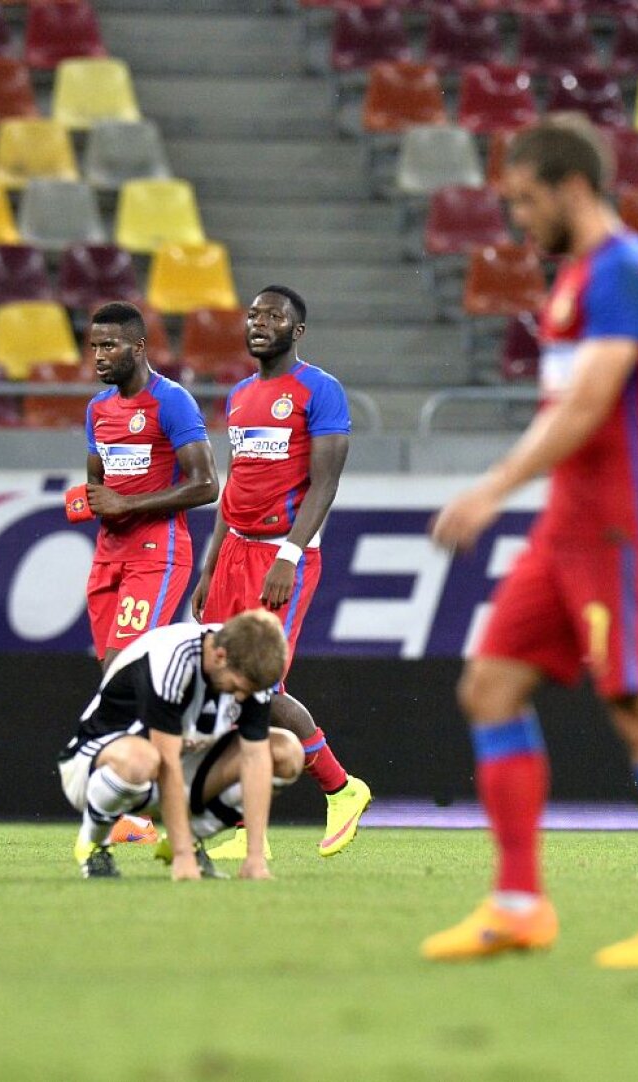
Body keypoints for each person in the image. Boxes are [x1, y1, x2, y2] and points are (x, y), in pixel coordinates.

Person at [420, 117, 638, 968]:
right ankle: (519, 905)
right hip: (569, 525)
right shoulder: (580, 277)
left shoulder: (626, 272)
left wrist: (490, 489)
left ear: (571, 187)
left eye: (524, 200)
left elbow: (589, 408)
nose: (518, 221)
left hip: (622, 526)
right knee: (490, 686)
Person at [191, 285, 372, 858]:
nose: (258, 322)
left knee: (259, 687)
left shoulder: (321, 390)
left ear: (297, 331)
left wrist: (289, 556)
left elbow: (326, 483)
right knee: (223, 684)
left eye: (274, 316)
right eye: (253, 314)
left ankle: (340, 788)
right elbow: (237, 486)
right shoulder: (241, 395)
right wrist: (209, 564)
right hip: (235, 552)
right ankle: (245, 829)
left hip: (281, 554)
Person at [58, 609, 303, 881]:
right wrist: (182, 854)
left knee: (286, 752)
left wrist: (255, 859)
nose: (241, 697)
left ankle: (193, 835)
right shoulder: (173, 657)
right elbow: (167, 763)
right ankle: (94, 843)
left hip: (174, 769)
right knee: (143, 759)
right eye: (237, 688)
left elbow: (255, 759)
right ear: (220, 657)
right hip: (95, 767)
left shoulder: (245, 659)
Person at [69, 301, 219, 671]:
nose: (98, 357)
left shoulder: (172, 400)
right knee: (111, 676)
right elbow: (98, 478)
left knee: (126, 669)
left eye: (109, 346)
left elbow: (206, 485)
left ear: (138, 347)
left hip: (156, 552)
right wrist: (90, 500)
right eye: (94, 347)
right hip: (108, 553)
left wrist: (126, 504)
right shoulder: (98, 409)